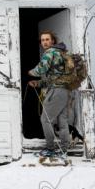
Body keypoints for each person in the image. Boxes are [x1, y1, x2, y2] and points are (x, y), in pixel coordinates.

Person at [27, 30, 72, 158]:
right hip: (65, 91)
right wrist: (39, 83)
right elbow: (53, 77)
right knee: (62, 121)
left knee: (45, 119)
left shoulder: (50, 52)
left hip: (56, 91)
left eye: (47, 39)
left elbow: (42, 68)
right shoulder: (61, 53)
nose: (45, 42)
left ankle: (50, 149)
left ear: (52, 41)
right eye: (42, 40)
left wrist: (31, 72)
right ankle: (63, 150)